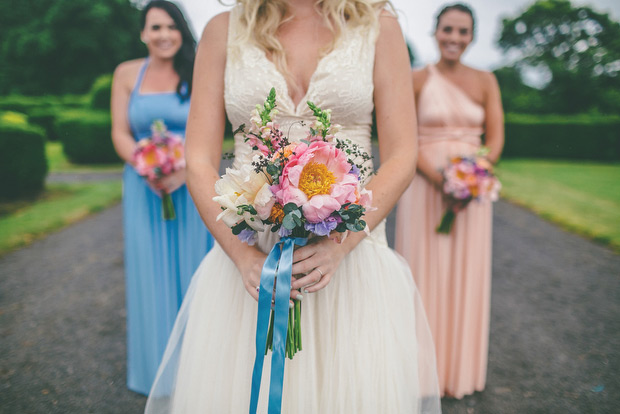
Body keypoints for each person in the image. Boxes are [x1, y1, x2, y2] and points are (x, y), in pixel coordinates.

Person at [145, 0, 441, 412]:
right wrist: (243, 255)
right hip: (251, 260)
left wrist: (339, 246)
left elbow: (401, 155)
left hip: (350, 255)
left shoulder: (378, 27)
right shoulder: (222, 29)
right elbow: (197, 159)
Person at [395, 3, 505, 399]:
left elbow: (494, 139)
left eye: (462, 32)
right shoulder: (417, 78)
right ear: (436, 32)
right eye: (448, 30)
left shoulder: (486, 80)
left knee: (466, 273)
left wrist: (473, 174)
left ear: (472, 36)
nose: (454, 39)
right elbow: (403, 137)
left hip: (471, 194)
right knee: (425, 274)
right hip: (426, 187)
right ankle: (423, 375)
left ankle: (459, 372)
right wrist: (441, 179)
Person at [110, 0, 213, 395]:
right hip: (144, 187)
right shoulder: (125, 74)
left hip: (191, 185)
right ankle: (157, 370)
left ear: (182, 30)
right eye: (155, 27)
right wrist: (146, 166)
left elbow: (212, 130)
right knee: (149, 272)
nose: (164, 34)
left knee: (193, 272)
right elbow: (120, 131)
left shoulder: (199, 70)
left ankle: (198, 369)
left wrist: (186, 170)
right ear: (143, 33)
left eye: (171, 26)